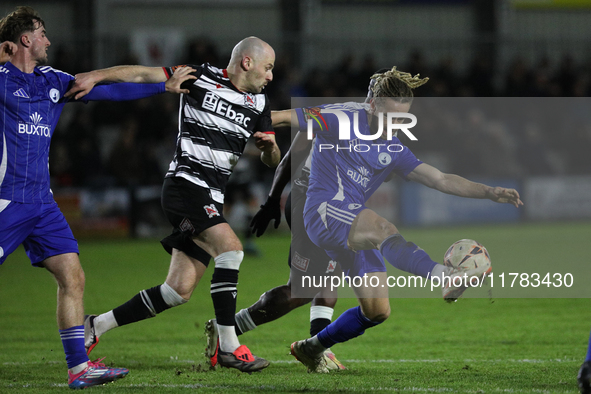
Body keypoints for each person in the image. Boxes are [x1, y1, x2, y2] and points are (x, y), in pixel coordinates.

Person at [0, 6, 193, 389]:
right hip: (6, 202)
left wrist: (162, 86)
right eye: (41, 33)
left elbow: (108, 90)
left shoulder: (52, 81)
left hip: (42, 204)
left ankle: (78, 369)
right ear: (24, 39)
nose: (48, 41)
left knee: (72, 276)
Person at [288, 66, 523, 373]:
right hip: (324, 211)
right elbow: (294, 122)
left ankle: (312, 347)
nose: (396, 124)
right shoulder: (344, 120)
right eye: (391, 117)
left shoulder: (394, 149)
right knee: (383, 229)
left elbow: (440, 179)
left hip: (352, 220)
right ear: (374, 106)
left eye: (402, 119)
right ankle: (443, 276)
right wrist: (259, 122)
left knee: (377, 311)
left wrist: (490, 191)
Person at [67, 36, 281, 373]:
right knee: (232, 249)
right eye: (268, 68)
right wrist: (95, 75)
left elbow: (272, 158)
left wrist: (268, 149)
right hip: (185, 186)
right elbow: (141, 75)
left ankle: (96, 325)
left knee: (177, 290)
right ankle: (229, 345)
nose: (270, 76)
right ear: (247, 62)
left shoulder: (259, 103)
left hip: (211, 197)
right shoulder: (199, 76)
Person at [204, 69, 394, 371]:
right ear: (373, 100)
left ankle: (315, 349)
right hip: (311, 204)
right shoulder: (338, 116)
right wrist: (271, 200)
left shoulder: (386, 129)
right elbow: (295, 150)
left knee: (328, 283)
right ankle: (228, 329)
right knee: (302, 290)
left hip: (337, 212)